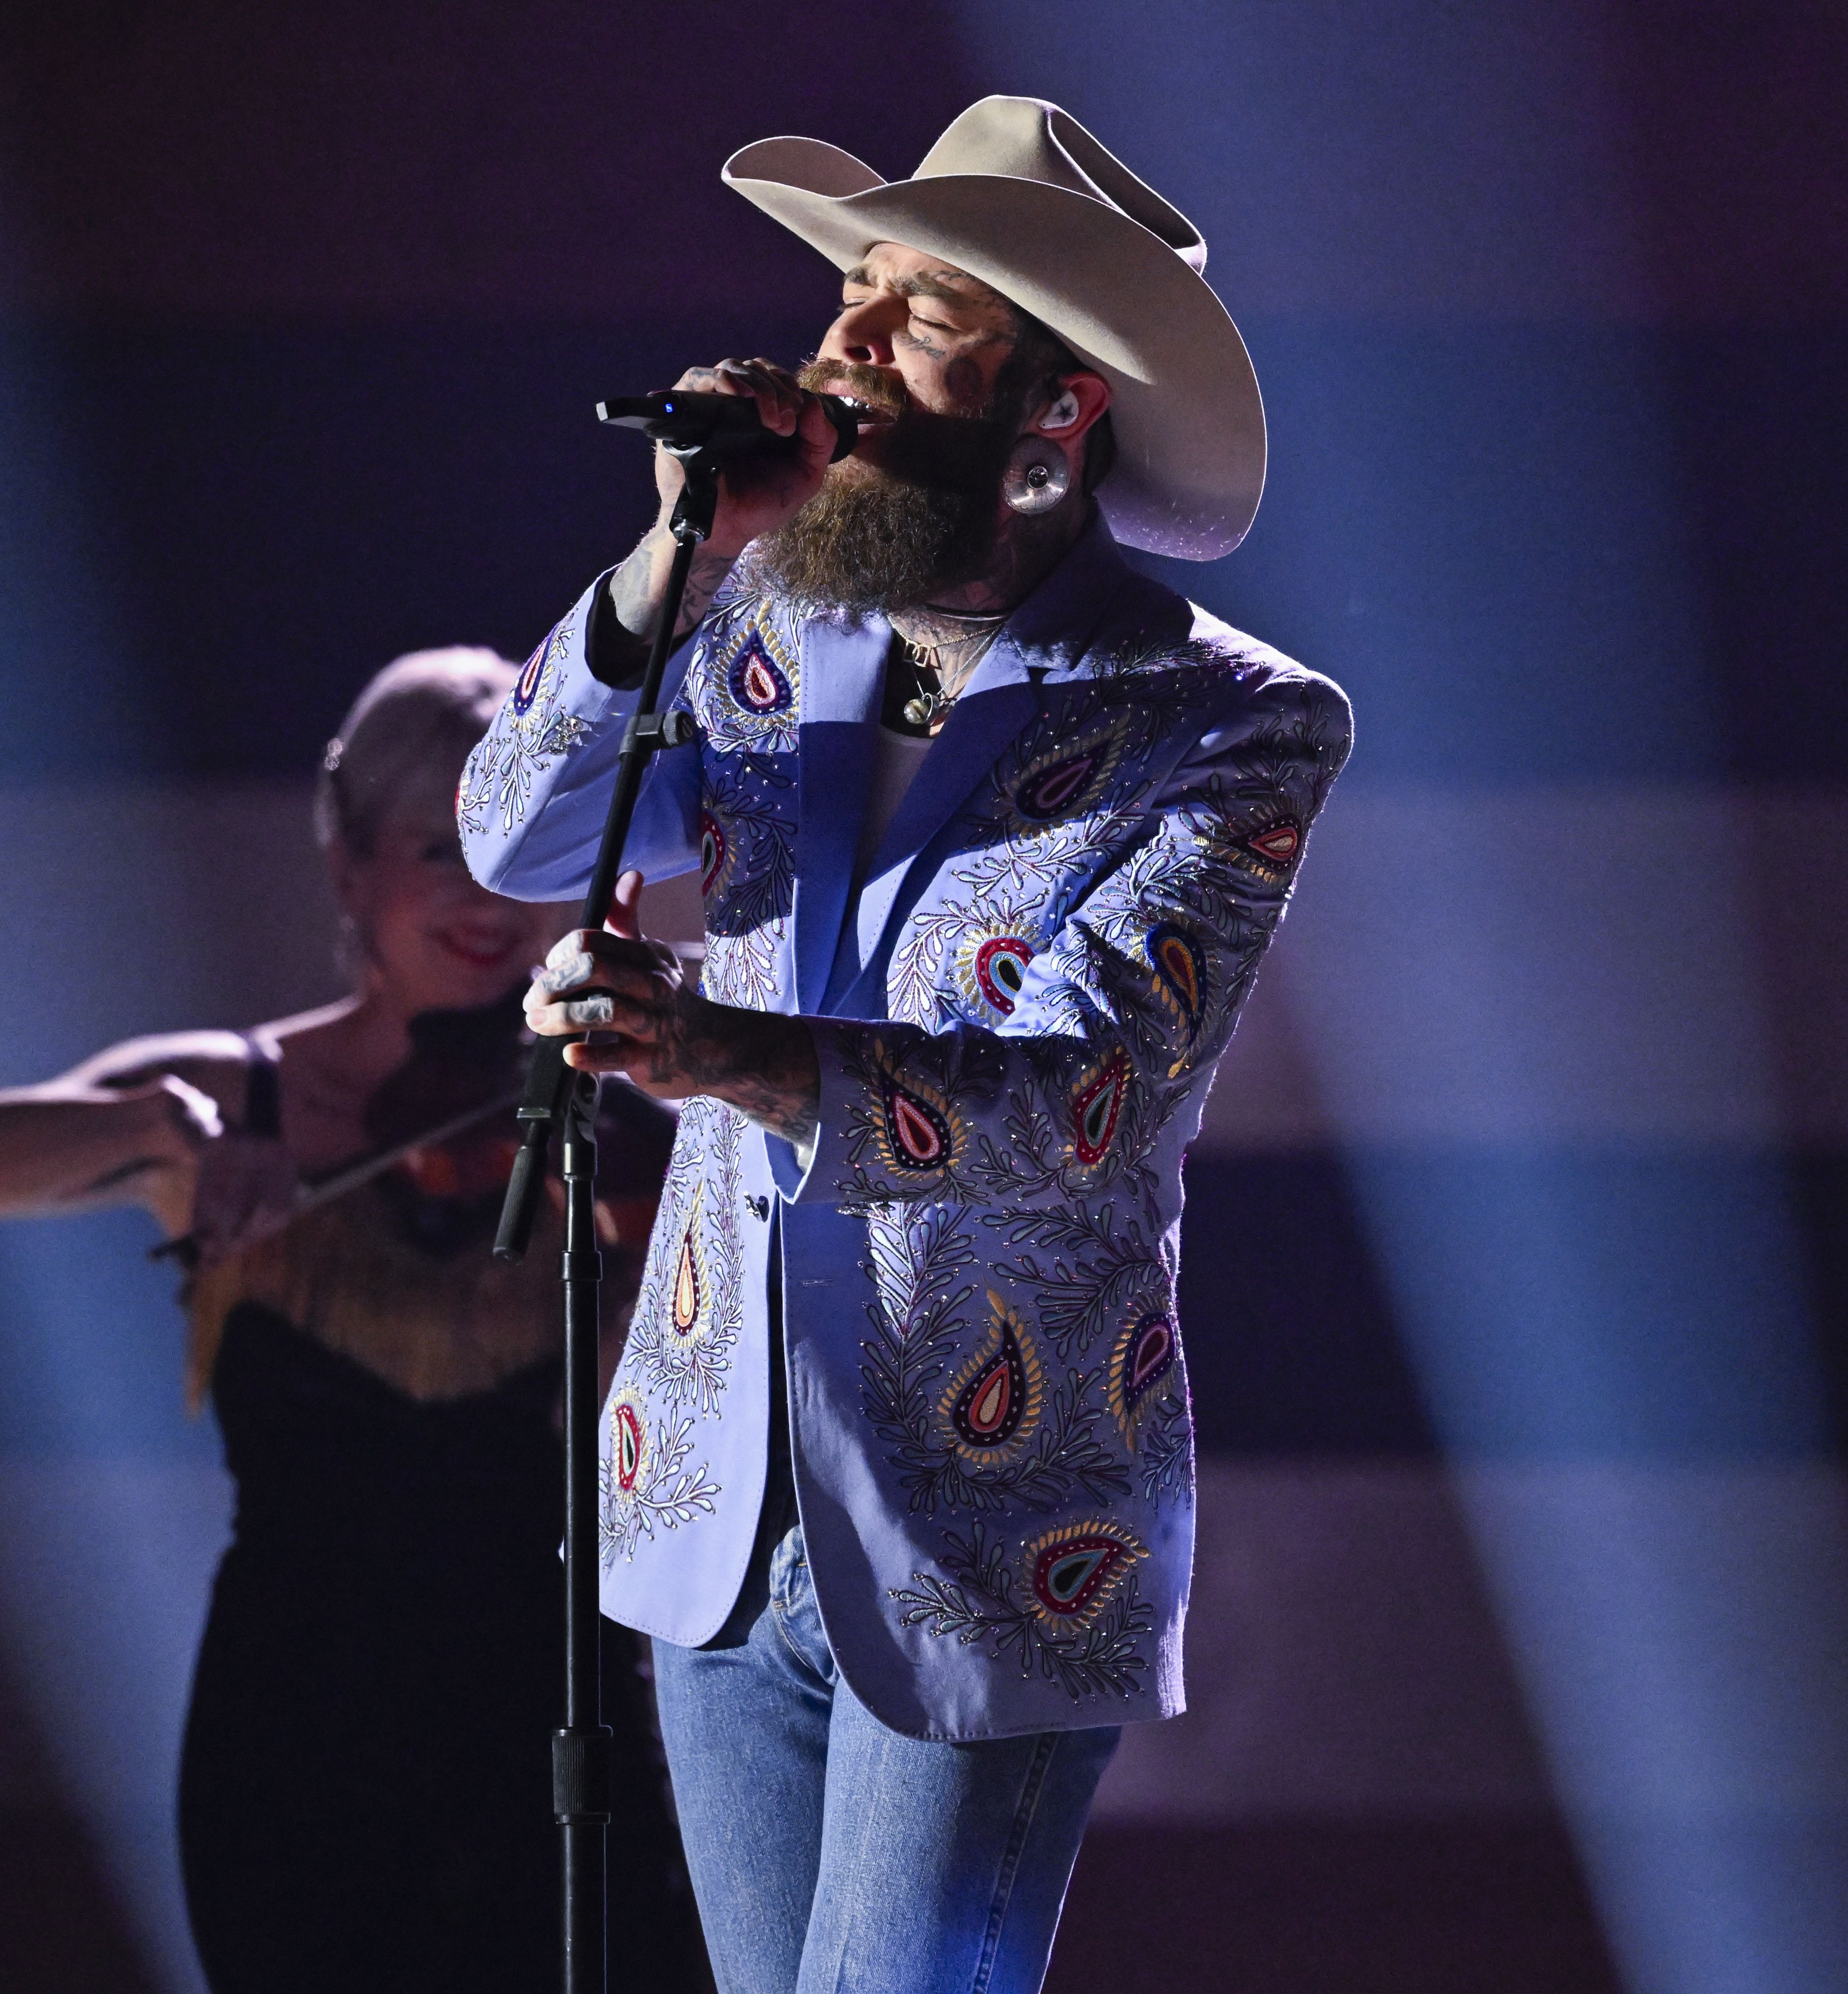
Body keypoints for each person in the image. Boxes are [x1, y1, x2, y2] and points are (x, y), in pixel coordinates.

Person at [457, 97, 1352, 1994]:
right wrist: (675, 565)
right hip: (715, 1495)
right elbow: (514, 836)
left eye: (921, 314)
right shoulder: (764, 631)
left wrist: (724, 1054)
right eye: (851, 292)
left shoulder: (1223, 721)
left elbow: (1086, 1102)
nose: (844, 342)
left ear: (1057, 409)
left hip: (992, 1531)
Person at [0, 650, 706, 1994]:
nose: (482, 897)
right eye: (438, 849)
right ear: (348, 865)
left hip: (560, 1713)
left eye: (517, 852)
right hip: (305, 1730)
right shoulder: (234, 1094)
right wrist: (160, 1131)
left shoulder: (623, 1125)